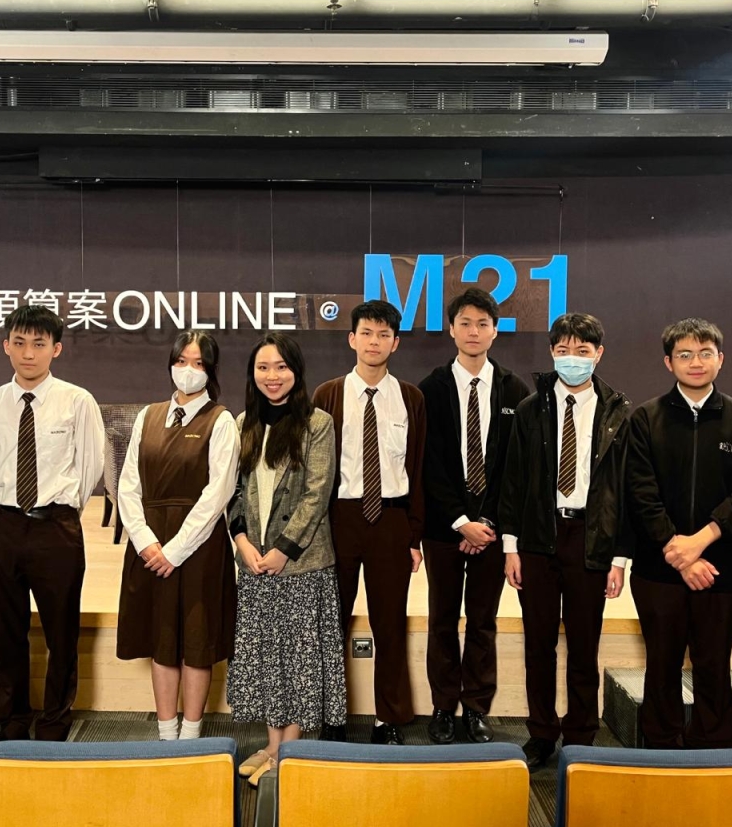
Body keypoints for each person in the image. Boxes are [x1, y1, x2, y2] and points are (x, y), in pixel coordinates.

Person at [626, 318, 732, 749]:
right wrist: (677, 550)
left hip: (722, 568)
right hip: (658, 568)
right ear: (668, 362)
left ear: (720, 359)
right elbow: (639, 491)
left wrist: (701, 541)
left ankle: (713, 750)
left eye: (705, 353)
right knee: (661, 664)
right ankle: (660, 748)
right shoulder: (645, 419)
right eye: (685, 354)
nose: (696, 362)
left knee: (713, 664)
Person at [498, 312, 631, 769]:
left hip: (590, 538)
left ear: (599, 354)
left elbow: (623, 490)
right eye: (563, 350)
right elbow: (513, 480)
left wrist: (619, 558)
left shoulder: (617, 412)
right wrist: (511, 547)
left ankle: (580, 735)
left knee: (583, 644)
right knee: (538, 644)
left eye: (582, 351)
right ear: (552, 353)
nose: (572, 358)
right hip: (538, 537)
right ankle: (540, 733)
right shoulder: (530, 409)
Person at [0, 306, 105, 741]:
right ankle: (12, 720)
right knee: (6, 630)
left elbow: (90, 466)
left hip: (55, 527)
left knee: (61, 631)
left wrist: (60, 512)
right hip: (0, 527)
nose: (28, 353)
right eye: (20, 343)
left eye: (39, 344)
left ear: (56, 349)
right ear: (6, 346)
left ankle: (54, 720)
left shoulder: (77, 400)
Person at [226, 333, 345, 786]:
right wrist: (241, 541)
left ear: (296, 371)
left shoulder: (317, 423)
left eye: (281, 367)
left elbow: (317, 494)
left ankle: (287, 750)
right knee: (268, 658)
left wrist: (282, 550)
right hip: (254, 562)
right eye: (263, 367)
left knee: (297, 659)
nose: (272, 376)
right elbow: (233, 490)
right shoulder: (244, 423)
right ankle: (271, 744)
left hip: (300, 563)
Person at [418, 287, 530, 744]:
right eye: (465, 323)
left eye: (483, 324)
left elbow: (514, 468)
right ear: (451, 329)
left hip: (492, 530)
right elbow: (428, 464)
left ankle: (476, 708)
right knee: (442, 618)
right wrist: (459, 520)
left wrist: (486, 524)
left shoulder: (514, 390)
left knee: (483, 621)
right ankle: (444, 707)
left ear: (495, 331)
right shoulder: (430, 389)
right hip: (443, 529)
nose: (473, 331)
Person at [312, 299, 426, 744]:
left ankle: (389, 719)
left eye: (383, 335)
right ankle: (331, 716)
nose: (373, 342)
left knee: (390, 622)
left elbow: (417, 470)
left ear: (395, 343)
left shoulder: (411, 398)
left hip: (391, 520)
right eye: (366, 333)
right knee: (331, 621)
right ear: (351, 339)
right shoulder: (328, 395)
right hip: (338, 519)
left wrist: (414, 535)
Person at [116, 331, 239, 741]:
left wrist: (175, 551)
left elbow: (217, 494)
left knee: (196, 641)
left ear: (211, 370)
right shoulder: (148, 416)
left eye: (199, 363)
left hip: (198, 548)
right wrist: (144, 542)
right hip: (149, 546)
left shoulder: (221, 421)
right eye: (182, 361)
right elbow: (128, 485)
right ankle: (166, 733)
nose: (189, 370)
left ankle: (191, 736)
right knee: (162, 639)